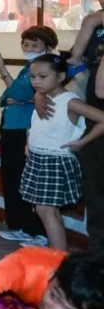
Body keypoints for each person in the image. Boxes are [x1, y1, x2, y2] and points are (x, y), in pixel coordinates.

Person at [20, 54, 104, 251]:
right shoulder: (43, 98)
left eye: (43, 76)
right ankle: (57, 253)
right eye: (33, 77)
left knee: (45, 210)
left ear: (60, 77)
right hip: (39, 158)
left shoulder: (70, 101)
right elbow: (38, 124)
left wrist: (82, 142)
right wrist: (29, 142)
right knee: (47, 210)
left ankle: (57, 257)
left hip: (54, 161)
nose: (36, 81)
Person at [0, 25, 58, 247]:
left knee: (25, 180)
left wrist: (2, 70)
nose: (29, 49)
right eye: (26, 44)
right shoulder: (29, 67)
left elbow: (19, 92)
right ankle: (21, 227)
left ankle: (37, 231)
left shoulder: (47, 69)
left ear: (48, 47)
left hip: (25, 128)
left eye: (35, 45)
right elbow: (8, 97)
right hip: (11, 125)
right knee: (12, 178)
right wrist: (19, 97)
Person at [67, 0, 104, 252]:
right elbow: (73, 61)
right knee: (96, 191)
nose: (103, 0)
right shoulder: (93, 22)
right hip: (95, 114)